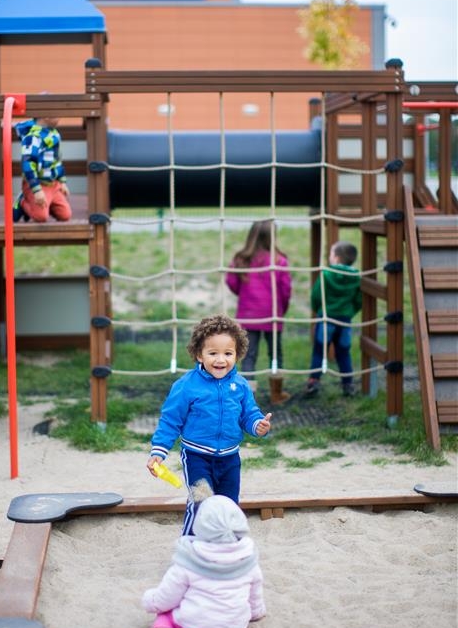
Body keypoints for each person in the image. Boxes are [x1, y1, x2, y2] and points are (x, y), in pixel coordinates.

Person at [147, 314, 272, 536]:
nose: (220, 360)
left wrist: (257, 425)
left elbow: (248, 414)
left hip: (230, 458)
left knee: (228, 505)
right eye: (213, 353)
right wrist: (159, 451)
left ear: (237, 354)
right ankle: (190, 542)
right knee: (201, 503)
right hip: (197, 456)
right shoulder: (186, 386)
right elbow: (170, 420)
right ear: (199, 354)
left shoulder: (240, 385)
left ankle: (225, 545)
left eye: (228, 353)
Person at [131, 482, 266, 628]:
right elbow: (255, 595)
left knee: (166, 613)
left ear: (200, 524)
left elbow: (166, 598)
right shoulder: (248, 558)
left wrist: (150, 600)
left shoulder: (190, 559)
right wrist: (256, 612)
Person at [226, 220, 292, 404]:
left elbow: (231, 281)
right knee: (275, 354)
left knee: (249, 356)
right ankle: (276, 393)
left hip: (249, 315)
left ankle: (249, 396)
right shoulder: (279, 261)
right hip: (272, 315)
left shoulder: (241, 260)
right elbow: (286, 290)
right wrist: (282, 309)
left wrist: (243, 293)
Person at [305, 240, 362, 397]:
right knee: (343, 352)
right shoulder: (355, 276)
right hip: (344, 320)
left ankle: (313, 382)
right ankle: (348, 384)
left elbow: (316, 295)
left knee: (319, 351)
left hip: (326, 318)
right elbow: (359, 299)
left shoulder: (326, 274)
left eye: (331, 253)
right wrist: (350, 312)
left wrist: (319, 309)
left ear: (336, 258)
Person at [12, 115, 71, 223]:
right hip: (37, 184)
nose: (60, 117)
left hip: (53, 184)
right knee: (41, 217)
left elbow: (57, 160)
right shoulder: (33, 137)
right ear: (46, 116)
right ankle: (23, 201)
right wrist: (36, 189)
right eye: (56, 115)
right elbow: (28, 165)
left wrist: (62, 181)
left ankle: (46, 205)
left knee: (65, 215)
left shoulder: (54, 134)